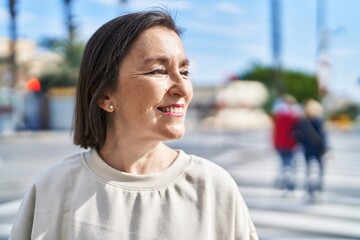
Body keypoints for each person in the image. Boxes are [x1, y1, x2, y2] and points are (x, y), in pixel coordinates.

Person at [9, 10, 258, 240]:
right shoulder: (52, 191)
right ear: (105, 95)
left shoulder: (214, 187)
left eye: (184, 71)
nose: (182, 89)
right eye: (159, 71)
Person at [293, 99, 327, 200]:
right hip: (316, 148)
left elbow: (295, 134)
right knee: (318, 171)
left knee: (312, 170)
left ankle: (312, 190)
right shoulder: (317, 120)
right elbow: (323, 136)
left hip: (309, 148)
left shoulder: (303, 121)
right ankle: (316, 190)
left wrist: (302, 142)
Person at [271, 94, 301, 194]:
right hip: (292, 144)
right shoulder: (296, 116)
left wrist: (275, 143)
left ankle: (283, 182)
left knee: (283, 164)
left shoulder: (278, 116)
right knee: (292, 164)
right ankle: (290, 182)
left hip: (281, 144)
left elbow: (276, 131)